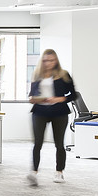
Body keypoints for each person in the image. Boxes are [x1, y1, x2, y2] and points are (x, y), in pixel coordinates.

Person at [27, 49, 75, 186]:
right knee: (37, 143)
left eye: (51, 60)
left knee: (59, 144)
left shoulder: (63, 75)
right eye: (45, 60)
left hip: (59, 112)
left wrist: (60, 99)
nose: (48, 63)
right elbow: (32, 94)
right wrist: (34, 99)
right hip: (39, 111)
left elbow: (73, 95)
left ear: (56, 61)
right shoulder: (37, 75)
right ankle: (34, 172)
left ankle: (59, 172)